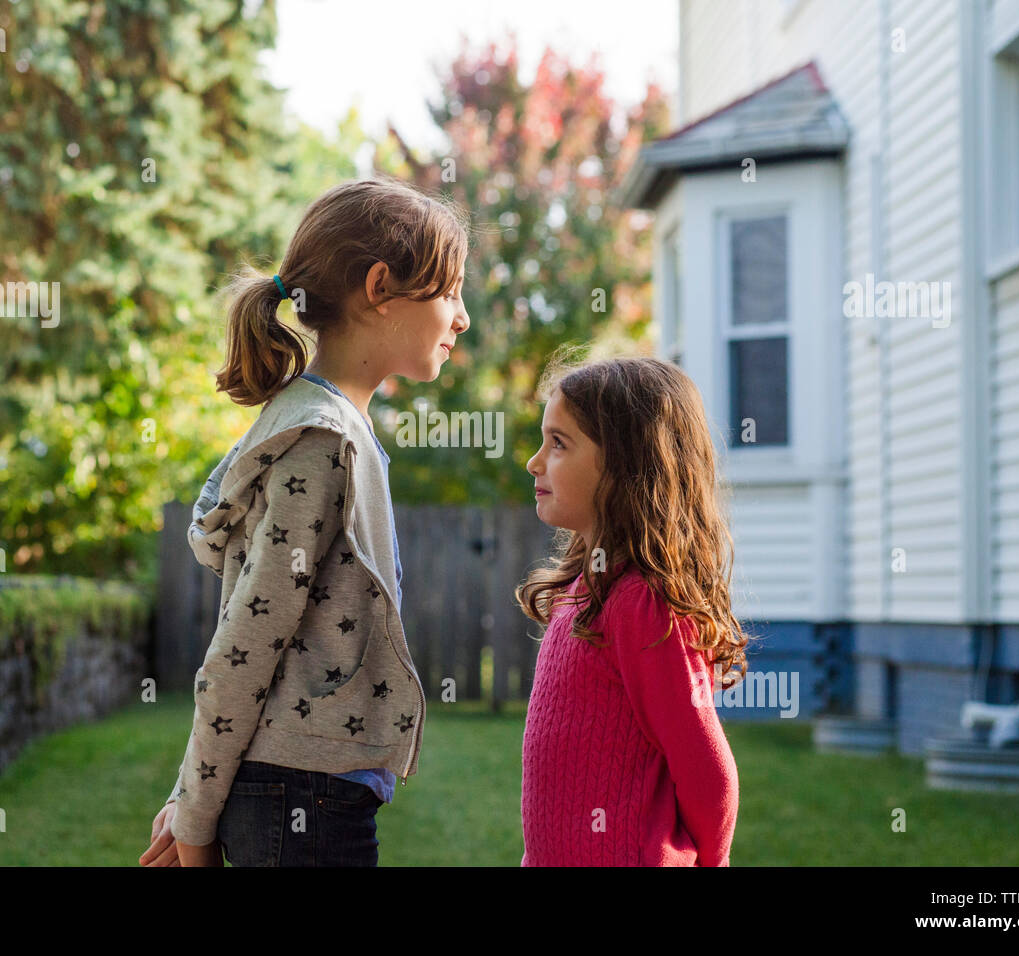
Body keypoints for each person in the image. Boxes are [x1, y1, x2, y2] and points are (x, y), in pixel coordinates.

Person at [139, 177, 470, 867]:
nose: (462, 318)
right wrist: (193, 821)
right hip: (301, 804)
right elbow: (247, 640)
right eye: (451, 291)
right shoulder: (323, 443)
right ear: (381, 287)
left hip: (308, 795)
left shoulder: (329, 430)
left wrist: (187, 794)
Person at [516, 352, 748, 866]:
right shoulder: (582, 589)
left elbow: (707, 769)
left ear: (626, 466)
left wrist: (713, 861)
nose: (535, 462)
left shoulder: (641, 606)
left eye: (558, 443)